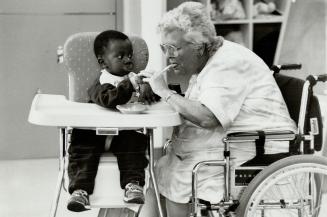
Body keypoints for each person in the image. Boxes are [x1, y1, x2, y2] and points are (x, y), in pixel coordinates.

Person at [139, 2, 297, 217]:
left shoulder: (228, 63)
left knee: (177, 175)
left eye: (173, 48)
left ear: (199, 45)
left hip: (250, 149)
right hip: (227, 144)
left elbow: (207, 117)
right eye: (164, 48)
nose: (169, 56)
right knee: (160, 169)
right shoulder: (210, 62)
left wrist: (165, 92)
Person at [67, 30, 157, 212]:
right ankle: (80, 190)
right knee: (82, 148)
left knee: (135, 144)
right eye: (120, 56)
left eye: (130, 55)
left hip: (123, 133)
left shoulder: (135, 80)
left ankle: (133, 185)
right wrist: (131, 85)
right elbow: (109, 99)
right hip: (93, 133)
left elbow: (148, 99)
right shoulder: (100, 82)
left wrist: (149, 89)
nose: (128, 60)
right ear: (103, 62)